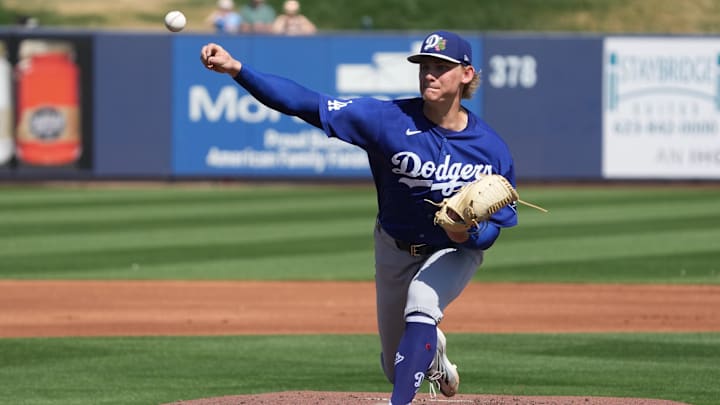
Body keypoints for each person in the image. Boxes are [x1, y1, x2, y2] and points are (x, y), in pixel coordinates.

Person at [200, 30, 518, 405]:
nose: (429, 74)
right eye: (425, 66)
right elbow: (304, 103)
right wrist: (238, 69)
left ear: (466, 75)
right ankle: (434, 357)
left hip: (454, 250)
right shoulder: (386, 119)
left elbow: (497, 226)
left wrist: (468, 236)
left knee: (421, 301)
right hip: (395, 247)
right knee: (393, 366)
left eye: (441, 67)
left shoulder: (490, 148)